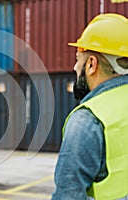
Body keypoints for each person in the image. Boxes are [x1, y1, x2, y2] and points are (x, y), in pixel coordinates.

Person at [52, 13, 128, 199]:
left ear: (92, 64)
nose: (75, 67)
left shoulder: (88, 119)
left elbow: (67, 196)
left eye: (78, 58)